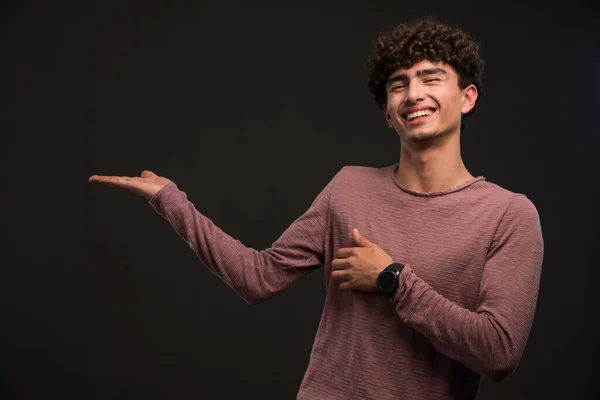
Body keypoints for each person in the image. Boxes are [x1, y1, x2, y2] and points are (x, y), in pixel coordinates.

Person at [89, 17, 544, 400]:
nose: (412, 94)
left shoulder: (509, 215)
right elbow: (258, 277)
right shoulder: (349, 188)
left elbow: (498, 352)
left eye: (431, 78)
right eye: (398, 84)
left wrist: (392, 280)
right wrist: (170, 199)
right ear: (388, 112)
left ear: (467, 97)